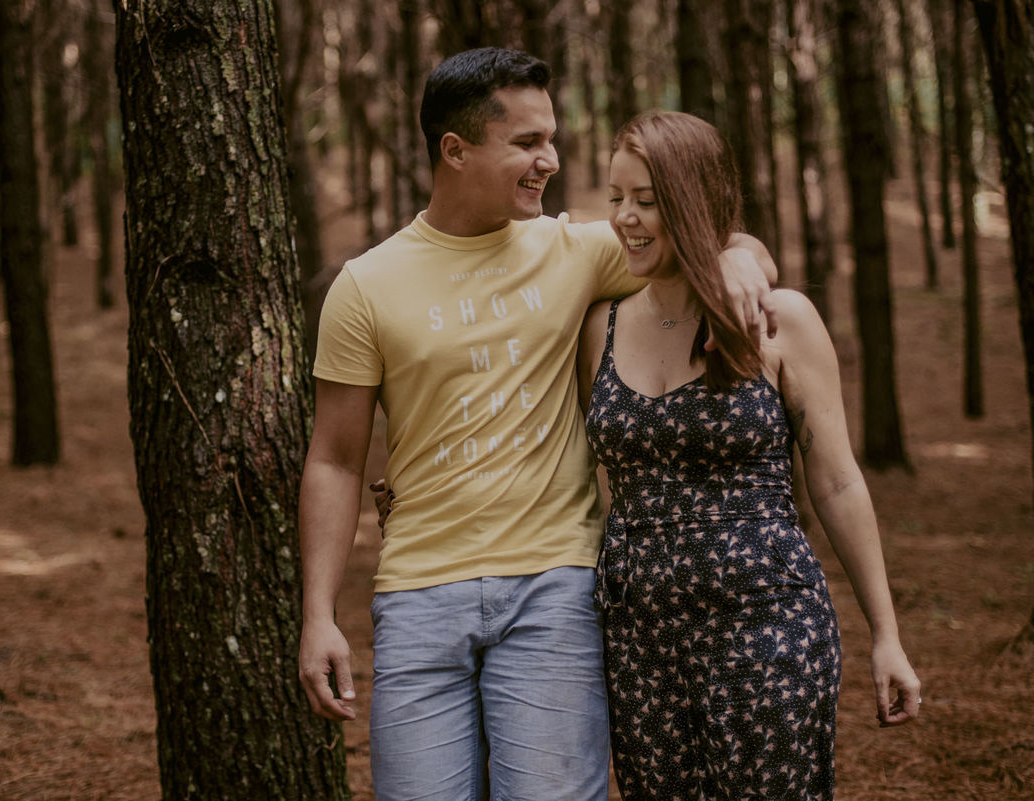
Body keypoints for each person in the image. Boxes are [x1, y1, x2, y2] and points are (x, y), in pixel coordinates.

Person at [297, 48, 775, 801]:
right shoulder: (365, 285)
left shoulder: (577, 249)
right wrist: (318, 615)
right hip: (419, 595)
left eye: (550, 138)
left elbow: (692, 237)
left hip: (554, 587)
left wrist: (744, 253)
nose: (549, 160)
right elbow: (333, 458)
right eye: (526, 142)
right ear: (455, 150)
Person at [577, 109, 921, 800]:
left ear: (694, 201)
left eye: (647, 200)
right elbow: (587, 478)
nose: (625, 218)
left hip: (767, 627)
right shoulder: (599, 326)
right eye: (615, 198)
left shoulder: (779, 319)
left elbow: (838, 481)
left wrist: (886, 633)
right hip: (640, 641)